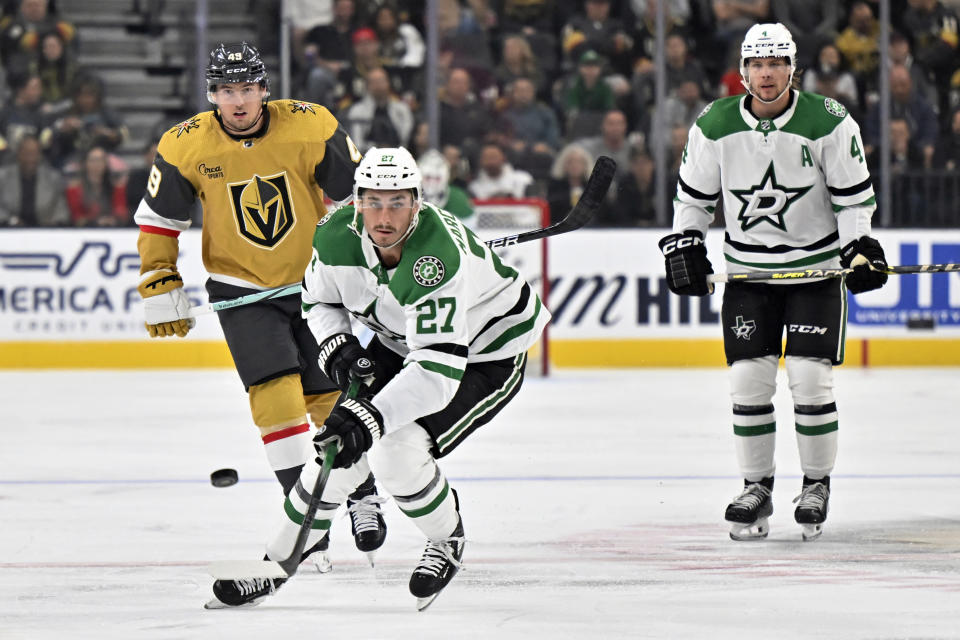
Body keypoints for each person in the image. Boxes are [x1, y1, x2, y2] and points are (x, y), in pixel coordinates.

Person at [208, 146, 550, 609]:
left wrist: (371, 418)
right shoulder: (334, 237)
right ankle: (278, 558)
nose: (383, 216)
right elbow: (318, 302)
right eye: (373, 201)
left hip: (485, 355)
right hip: (401, 343)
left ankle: (447, 538)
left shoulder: (435, 258)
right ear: (356, 202)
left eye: (397, 202)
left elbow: (436, 371)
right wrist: (337, 345)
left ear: (418, 203)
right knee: (335, 442)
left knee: (395, 449)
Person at [132, 42, 387, 571]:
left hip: (315, 286)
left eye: (247, 89)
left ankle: (361, 494)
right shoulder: (185, 146)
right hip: (240, 289)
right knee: (275, 400)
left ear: (264, 90)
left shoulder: (310, 126)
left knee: (329, 403)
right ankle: (309, 526)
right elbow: (160, 220)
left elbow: (358, 198)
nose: (239, 101)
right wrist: (159, 277)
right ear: (213, 95)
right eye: (228, 91)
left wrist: (375, 256)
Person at [658, 23, 888, 542]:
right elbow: (693, 199)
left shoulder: (829, 121)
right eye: (758, 64)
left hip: (814, 272)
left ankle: (815, 485)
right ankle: (756, 485)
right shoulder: (713, 124)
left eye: (777, 63)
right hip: (748, 275)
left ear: (792, 68)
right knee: (748, 383)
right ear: (743, 71)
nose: (767, 73)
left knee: (809, 381)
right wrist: (688, 243)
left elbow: (854, 200)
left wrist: (858, 247)